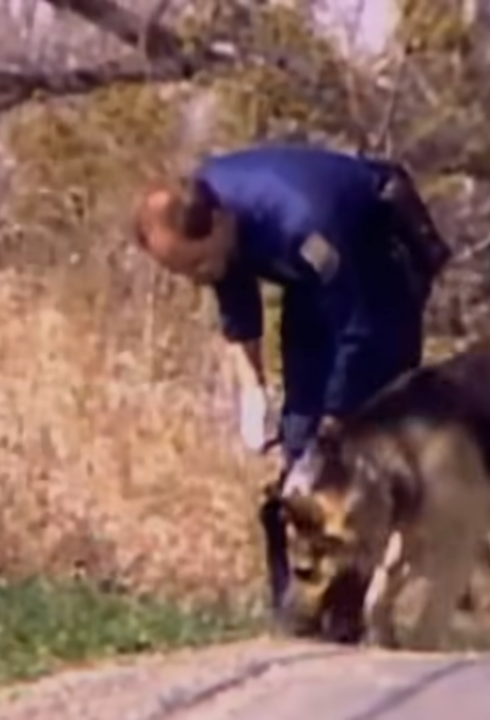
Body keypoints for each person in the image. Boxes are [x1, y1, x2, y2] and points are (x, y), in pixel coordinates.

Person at [132, 143, 452, 617]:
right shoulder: (205, 212)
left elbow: (360, 329)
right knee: (299, 438)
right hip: (311, 287)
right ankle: (302, 598)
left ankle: (359, 598)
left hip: (375, 274)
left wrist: (335, 420)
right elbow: (234, 296)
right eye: (184, 271)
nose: (196, 278)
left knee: (352, 441)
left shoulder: (306, 227)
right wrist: (253, 390)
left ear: (220, 223)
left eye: (197, 265)